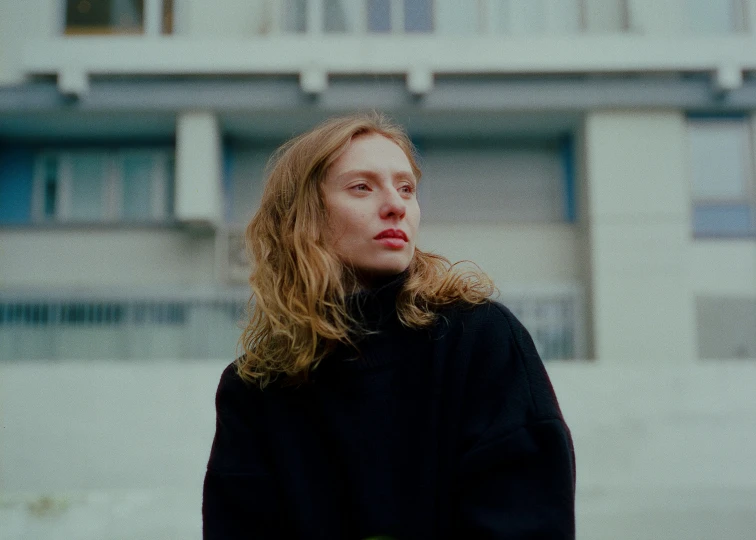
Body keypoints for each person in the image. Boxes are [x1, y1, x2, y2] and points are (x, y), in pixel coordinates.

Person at [202, 112, 576, 539]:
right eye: (361, 187)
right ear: (303, 214)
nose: (396, 206)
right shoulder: (253, 387)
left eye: (406, 189)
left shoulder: (481, 339)